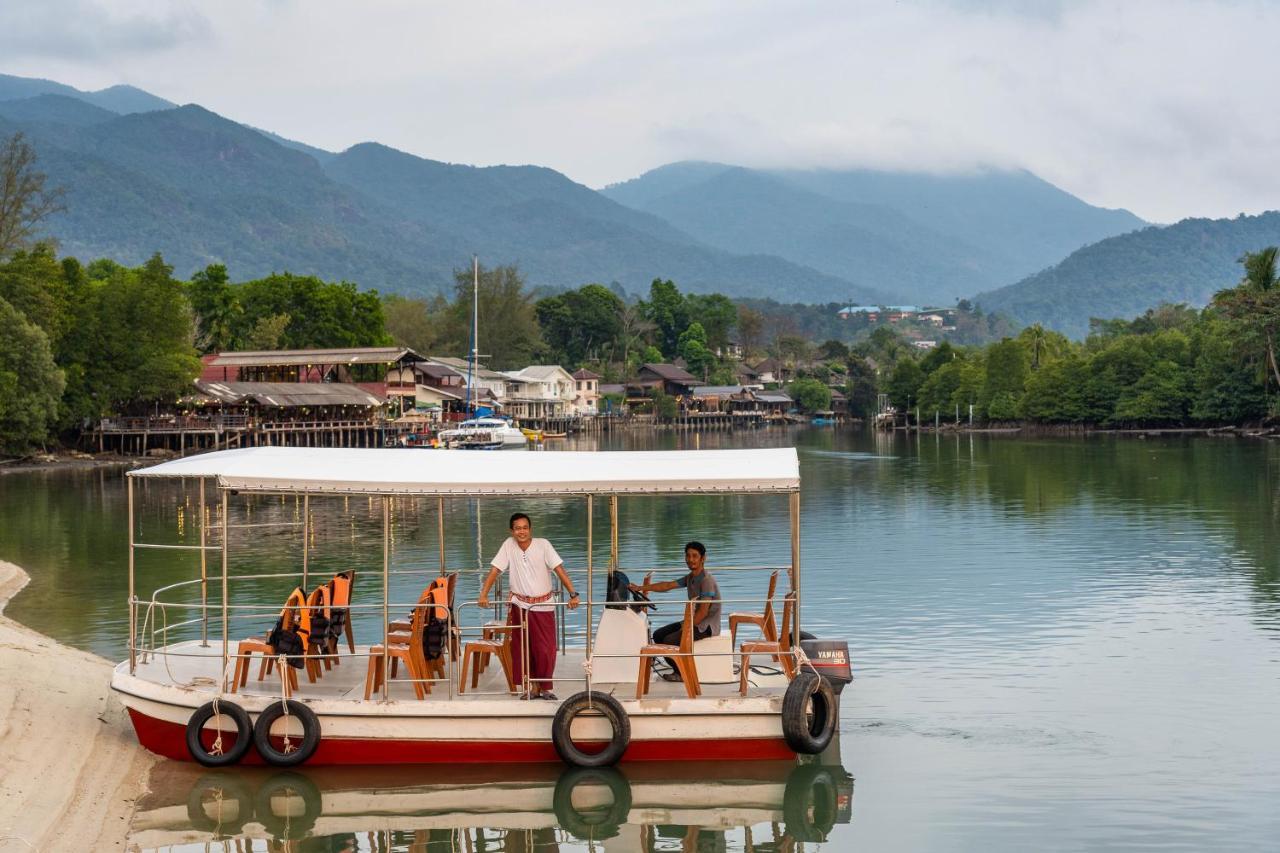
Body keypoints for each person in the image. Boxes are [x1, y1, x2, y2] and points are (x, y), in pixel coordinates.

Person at [477, 513, 579, 700]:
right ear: (512, 531)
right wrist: (483, 594)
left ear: (530, 529)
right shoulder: (509, 545)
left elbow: (558, 569)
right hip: (520, 604)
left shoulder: (543, 545)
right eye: (517, 528)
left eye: (524, 528)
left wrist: (573, 594)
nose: (521, 531)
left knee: (546, 649)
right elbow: (495, 570)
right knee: (523, 648)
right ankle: (532, 687)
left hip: (543, 605)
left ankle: (545, 687)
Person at [631, 541, 721, 681]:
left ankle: (681, 674)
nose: (690, 559)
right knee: (658, 635)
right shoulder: (690, 577)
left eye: (695, 556)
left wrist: (685, 629)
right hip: (693, 622)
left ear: (703, 558)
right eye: (688, 556)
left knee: (669, 640)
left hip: (705, 626)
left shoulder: (706, 581)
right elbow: (667, 585)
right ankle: (678, 668)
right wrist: (640, 588)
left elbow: (703, 612)